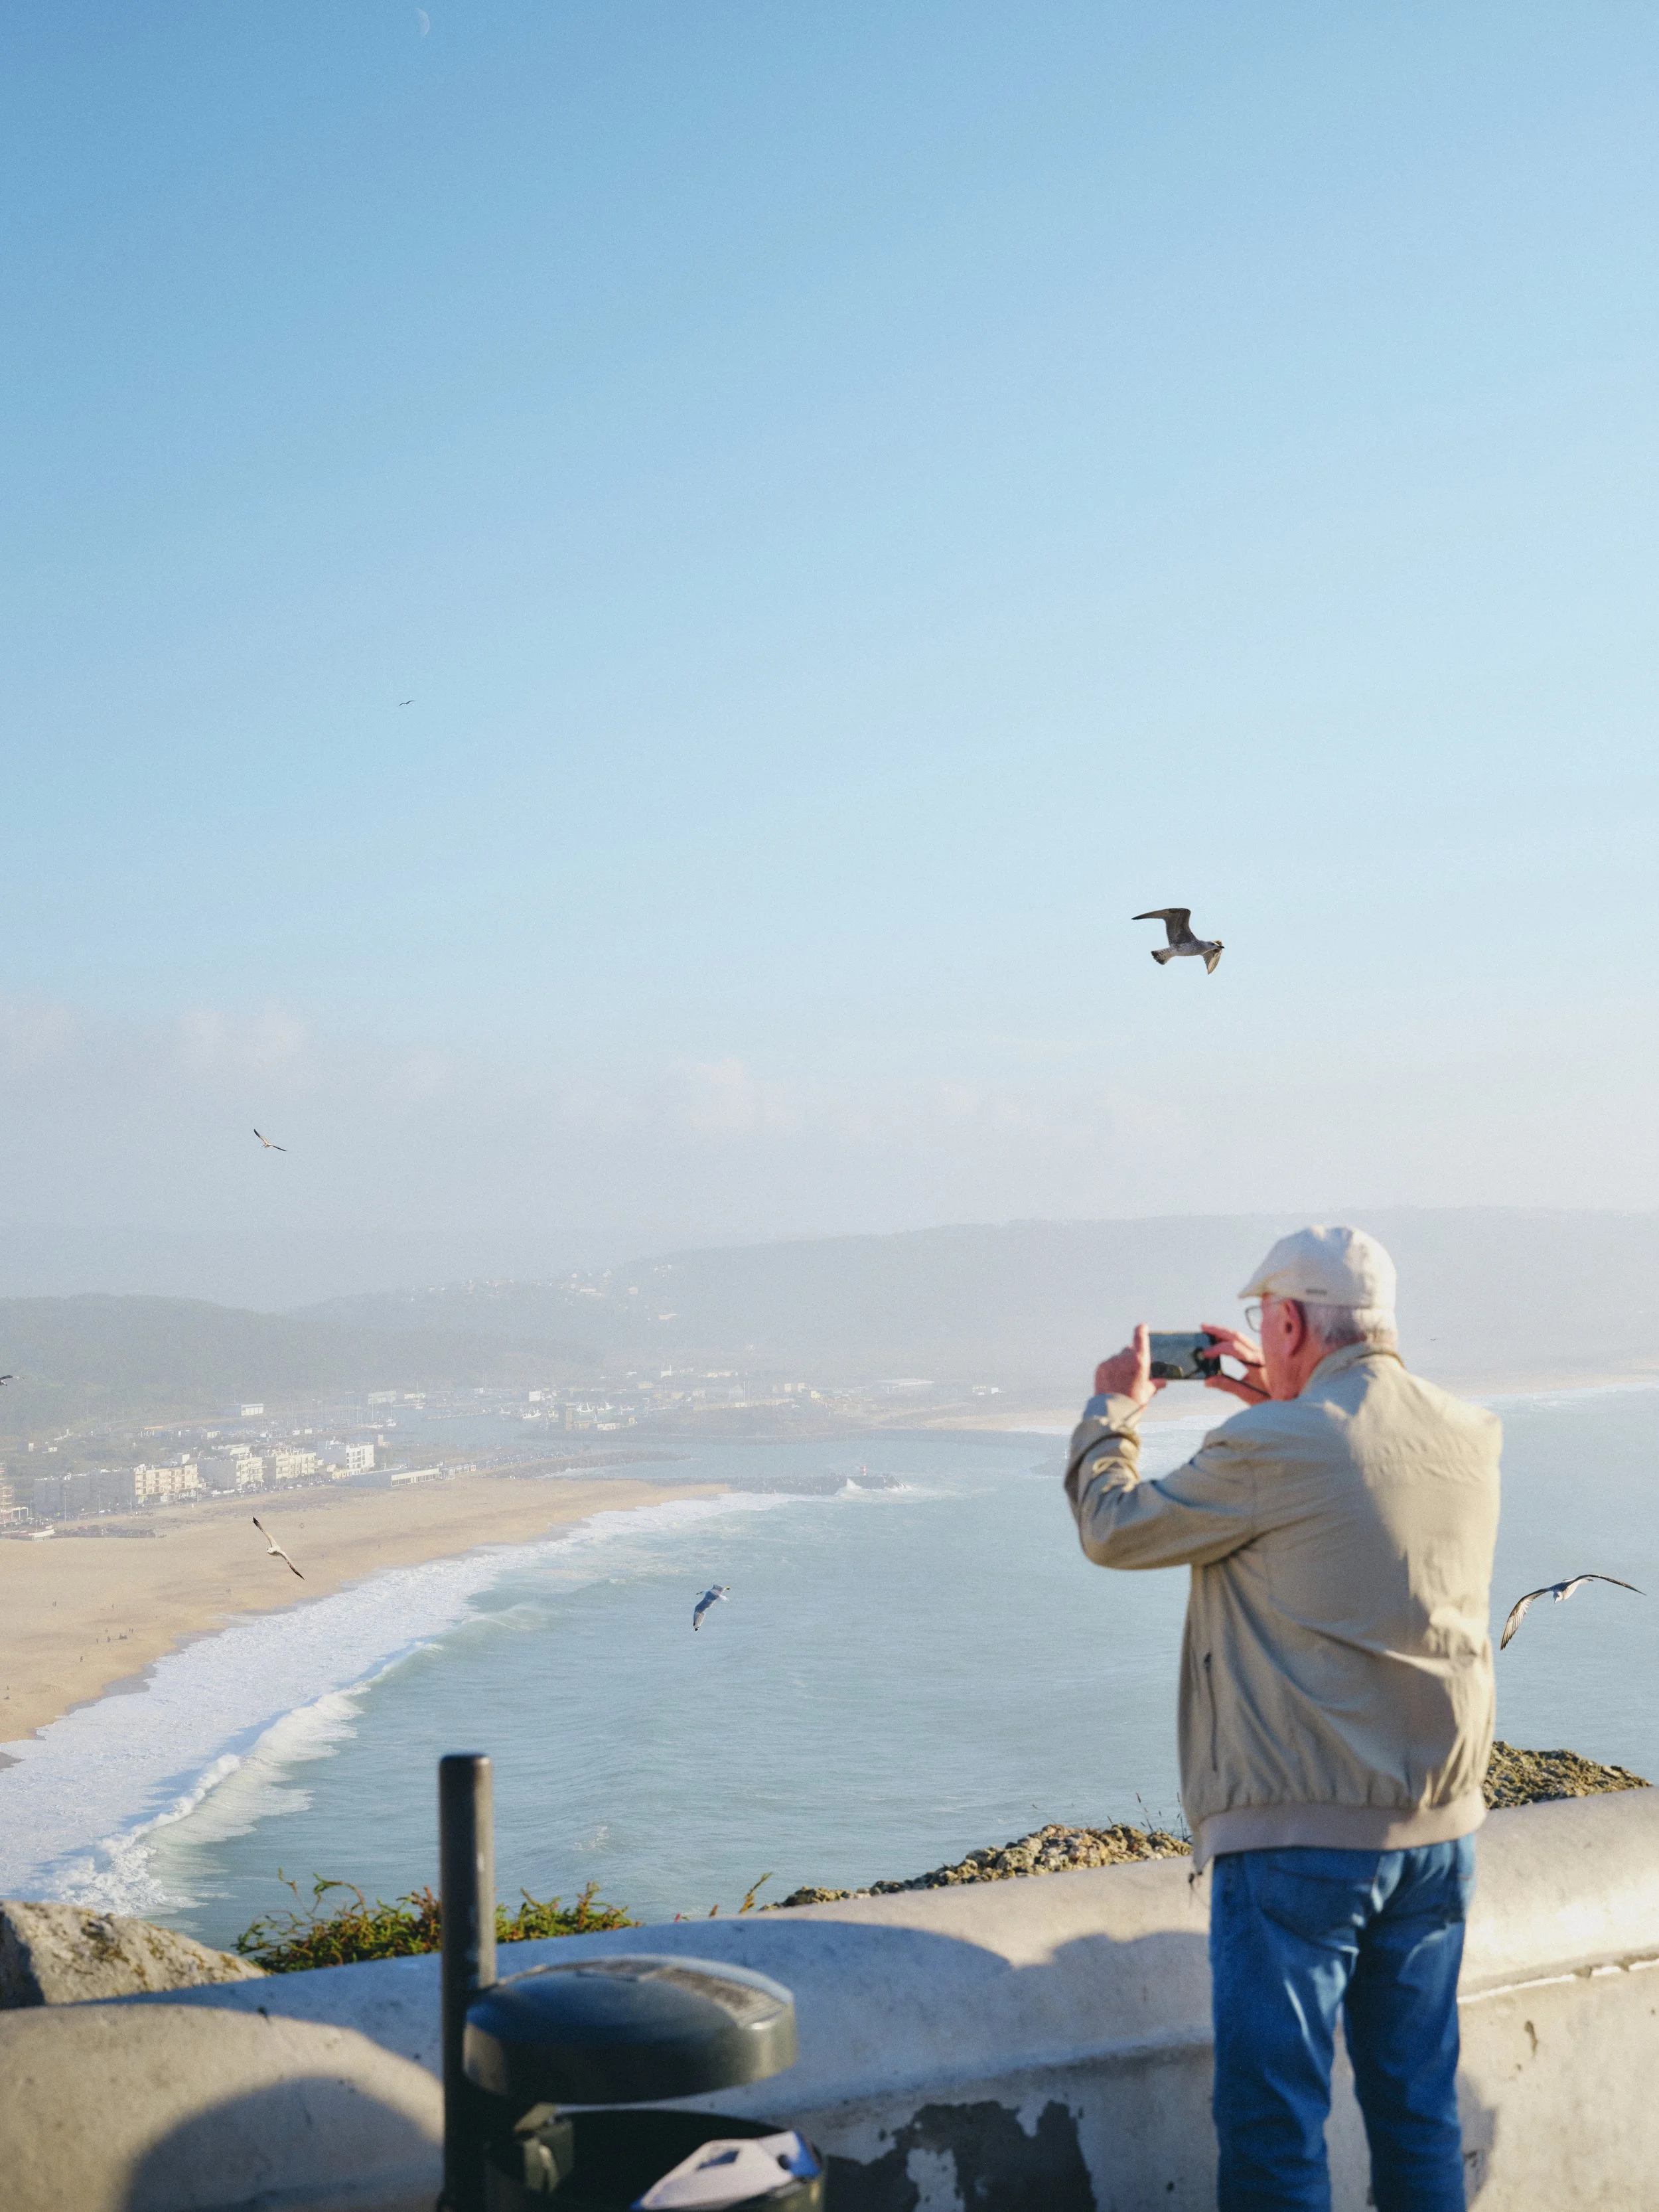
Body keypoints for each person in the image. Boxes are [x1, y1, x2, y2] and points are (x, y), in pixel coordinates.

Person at [1064, 1225, 1500, 2212]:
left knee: (1275, 2127)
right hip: (1438, 1840)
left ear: (1293, 1322)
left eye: (1269, 1319)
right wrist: (1294, 1396)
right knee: (1419, 2114)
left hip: (1299, 1847)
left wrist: (1111, 1412)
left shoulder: (1272, 1446)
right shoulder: (1469, 1437)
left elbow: (1115, 1528)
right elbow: (1354, 1507)